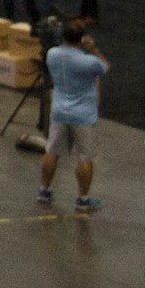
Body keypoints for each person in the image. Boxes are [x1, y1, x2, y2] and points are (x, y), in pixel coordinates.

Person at [37, 19, 107, 214]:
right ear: (82, 38)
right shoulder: (88, 61)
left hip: (60, 111)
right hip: (83, 116)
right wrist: (93, 49)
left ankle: (44, 190)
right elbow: (105, 67)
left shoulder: (52, 54)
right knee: (85, 157)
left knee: (52, 151)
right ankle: (82, 199)